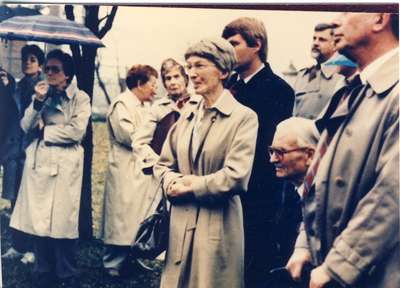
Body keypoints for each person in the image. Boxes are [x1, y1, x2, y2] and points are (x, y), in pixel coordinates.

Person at [287, 13, 399, 288]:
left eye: (347, 9)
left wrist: (339, 266)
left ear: (380, 18)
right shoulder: (354, 90)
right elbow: (321, 176)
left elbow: (393, 192)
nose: (336, 21)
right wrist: (305, 244)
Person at [154, 37, 258, 288]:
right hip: (180, 224)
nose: (192, 73)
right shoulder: (187, 115)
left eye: (199, 65)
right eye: (189, 67)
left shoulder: (243, 118)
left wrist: (192, 185)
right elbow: (163, 164)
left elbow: (237, 175)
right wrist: (170, 182)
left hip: (217, 224)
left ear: (223, 71)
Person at [222, 17, 294, 286]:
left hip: (258, 192)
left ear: (256, 44)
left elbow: (265, 146)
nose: (228, 51)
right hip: (224, 186)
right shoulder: (228, 86)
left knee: (254, 263)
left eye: (234, 44)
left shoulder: (278, 89)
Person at [9, 49, 91, 288]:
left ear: (67, 74)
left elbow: (77, 131)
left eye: (56, 69)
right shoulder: (41, 95)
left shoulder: (80, 98)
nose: (50, 73)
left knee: (62, 222)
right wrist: (37, 102)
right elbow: (25, 125)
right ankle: (43, 272)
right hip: (40, 164)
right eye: (48, 68)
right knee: (39, 219)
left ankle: (66, 274)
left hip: (65, 164)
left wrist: (46, 131)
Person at [100, 64, 158, 277]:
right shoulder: (122, 104)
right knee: (120, 214)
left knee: (137, 215)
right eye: (152, 84)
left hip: (139, 165)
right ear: (140, 84)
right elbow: (127, 135)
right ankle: (112, 261)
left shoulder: (143, 105)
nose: (155, 90)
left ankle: (131, 257)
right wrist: (152, 141)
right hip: (124, 166)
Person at [1, 44, 45, 264]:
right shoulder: (18, 85)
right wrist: (9, 89)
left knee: (33, 202)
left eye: (33, 59)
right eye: (25, 59)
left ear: (40, 64)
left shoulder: (44, 87)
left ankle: (33, 249)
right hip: (16, 149)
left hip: (34, 149)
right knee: (17, 200)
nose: (27, 62)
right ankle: (18, 246)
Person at [133, 58, 200, 175]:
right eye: (168, 78)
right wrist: (158, 164)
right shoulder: (157, 108)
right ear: (164, 83)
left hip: (195, 171)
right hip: (167, 174)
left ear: (186, 79)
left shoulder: (200, 103)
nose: (172, 82)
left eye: (176, 76)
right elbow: (139, 142)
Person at [269, 117, 319, 264]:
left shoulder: (326, 198)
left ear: (309, 155)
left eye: (280, 152)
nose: (272, 159)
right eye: (271, 151)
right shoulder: (289, 198)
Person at [292, 23, 343, 119]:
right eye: (314, 38)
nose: (315, 43)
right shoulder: (303, 75)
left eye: (322, 40)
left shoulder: (341, 76)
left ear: (335, 45)